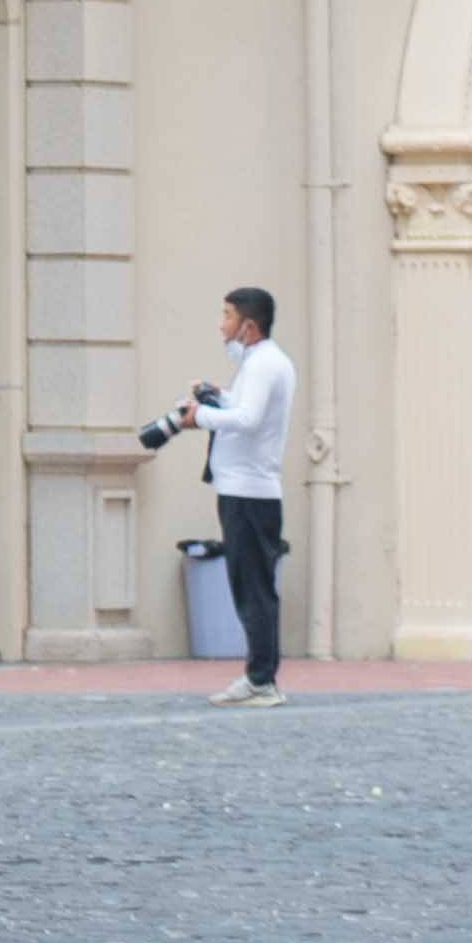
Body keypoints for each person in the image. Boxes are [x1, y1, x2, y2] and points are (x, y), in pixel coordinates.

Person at [174, 288, 299, 704]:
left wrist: (200, 418)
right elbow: (243, 408)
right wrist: (217, 395)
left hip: (250, 493)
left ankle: (261, 680)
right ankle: (259, 677)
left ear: (249, 324)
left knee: (254, 588)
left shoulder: (264, 364)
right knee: (248, 585)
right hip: (242, 489)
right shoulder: (259, 364)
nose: (221, 323)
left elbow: (247, 420)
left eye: (227, 315)